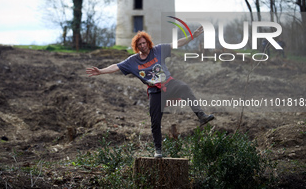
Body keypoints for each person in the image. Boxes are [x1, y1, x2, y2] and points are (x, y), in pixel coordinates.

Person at [86, 28, 214, 158]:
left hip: (168, 83)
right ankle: (158, 150)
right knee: (155, 121)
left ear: (148, 42)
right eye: (139, 44)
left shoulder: (158, 50)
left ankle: (201, 115)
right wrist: (101, 71)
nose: (142, 46)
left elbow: (177, 43)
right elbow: (116, 66)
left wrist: (193, 36)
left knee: (184, 87)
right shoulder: (133, 61)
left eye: (144, 43)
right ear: (137, 47)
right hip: (154, 91)